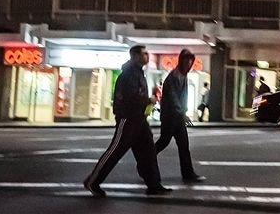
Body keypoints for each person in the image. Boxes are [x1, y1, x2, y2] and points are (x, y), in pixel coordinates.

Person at [84, 45, 171, 198]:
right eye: (144, 54)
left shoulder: (138, 73)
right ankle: (93, 181)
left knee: (148, 152)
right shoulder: (129, 75)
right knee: (115, 151)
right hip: (128, 119)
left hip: (140, 119)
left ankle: (154, 184)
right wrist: (148, 100)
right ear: (135, 56)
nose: (147, 56)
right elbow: (130, 98)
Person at [155, 49, 206, 183]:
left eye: (190, 61)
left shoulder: (183, 76)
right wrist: (183, 113)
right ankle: (145, 161)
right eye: (186, 60)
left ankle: (188, 173)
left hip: (177, 117)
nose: (189, 63)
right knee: (163, 142)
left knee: (184, 146)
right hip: (170, 118)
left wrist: (183, 113)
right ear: (181, 61)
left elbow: (181, 99)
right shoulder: (173, 77)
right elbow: (173, 99)